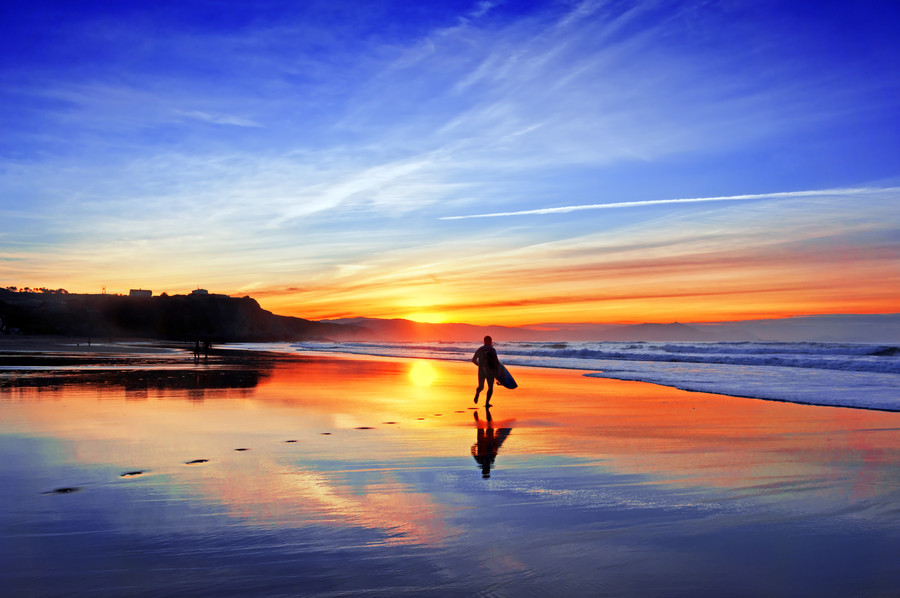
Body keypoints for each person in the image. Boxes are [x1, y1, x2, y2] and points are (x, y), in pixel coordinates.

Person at [472, 335, 499, 406]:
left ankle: (477, 393)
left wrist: (480, 365)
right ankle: (487, 403)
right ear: (490, 341)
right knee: (490, 387)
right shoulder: (492, 350)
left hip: (481, 370)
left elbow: (473, 360)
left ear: (484, 341)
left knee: (481, 386)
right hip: (490, 371)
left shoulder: (480, 349)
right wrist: (497, 374)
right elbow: (496, 362)